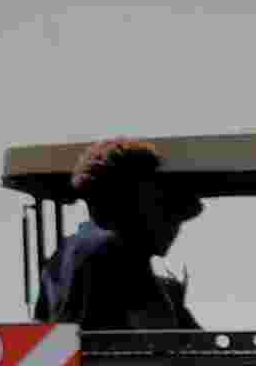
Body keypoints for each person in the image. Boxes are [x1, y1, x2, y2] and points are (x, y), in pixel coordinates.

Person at [40, 141, 200, 333]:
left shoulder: (61, 257)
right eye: (156, 201)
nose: (175, 230)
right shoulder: (121, 250)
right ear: (131, 198)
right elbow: (160, 339)